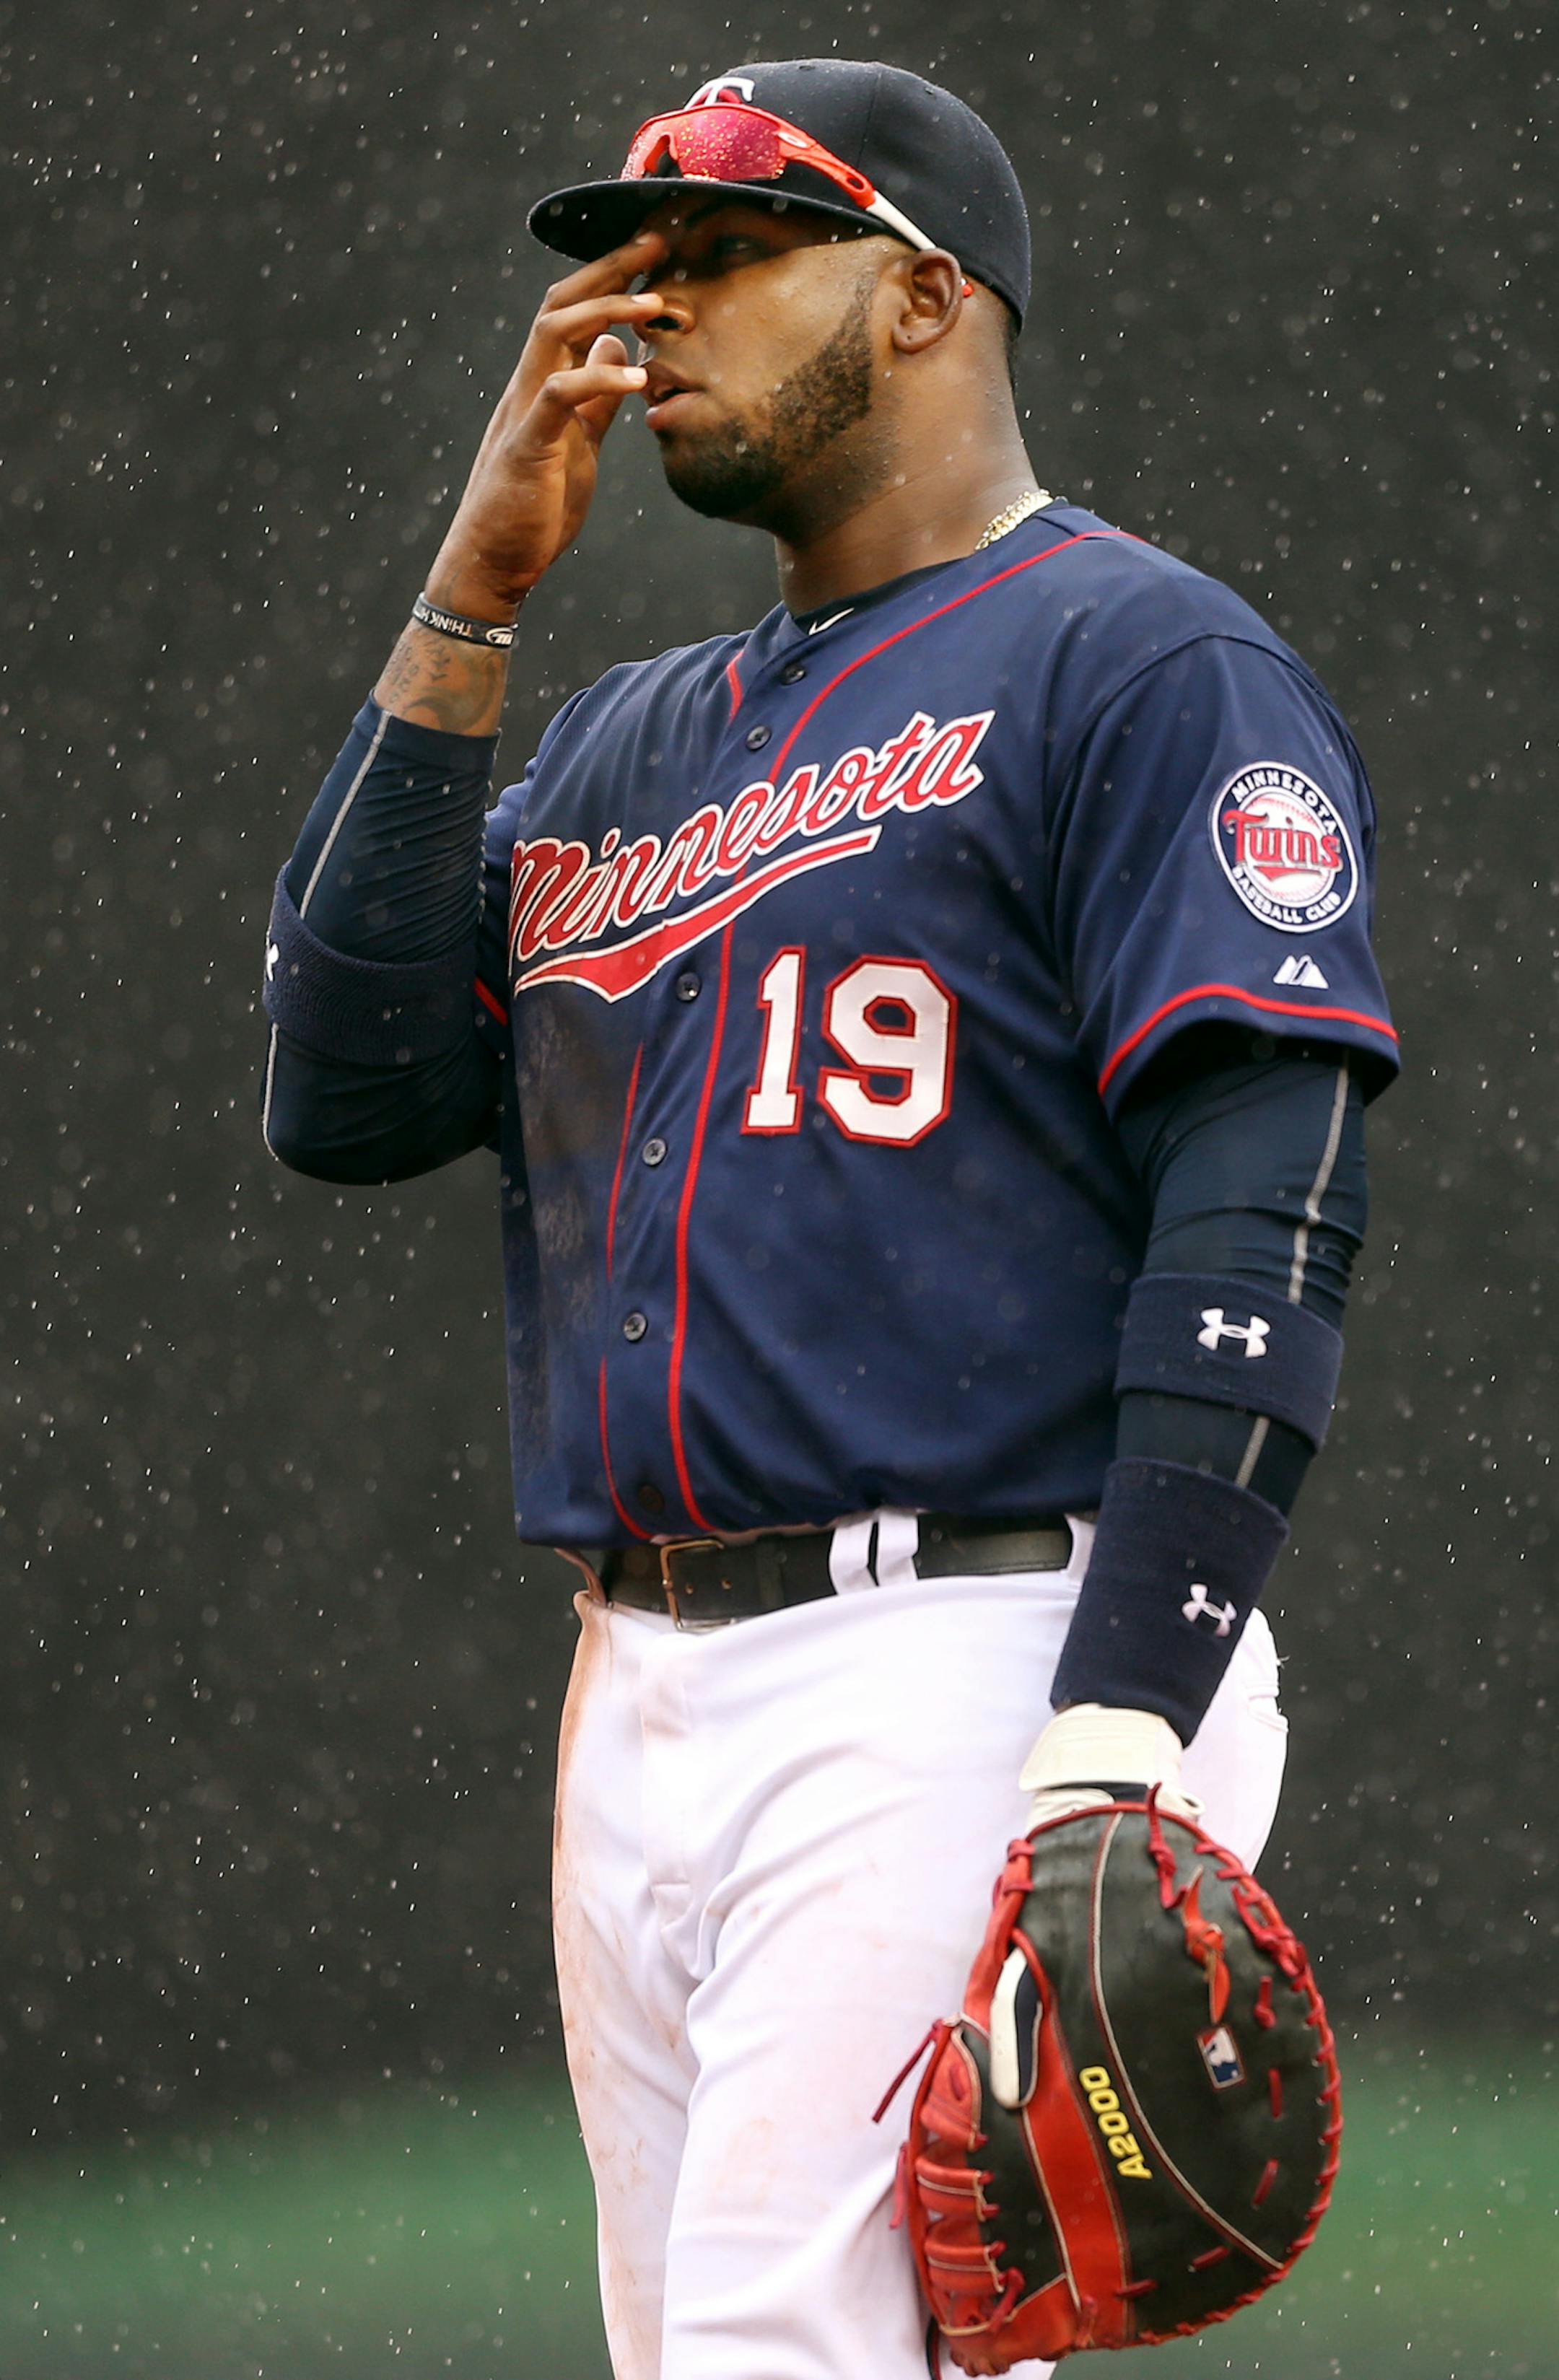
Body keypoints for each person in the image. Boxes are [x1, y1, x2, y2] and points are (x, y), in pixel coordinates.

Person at [261, 58, 1397, 2380]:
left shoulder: (1143, 662)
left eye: (728, 253)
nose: (649, 307)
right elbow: (347, 1088)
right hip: (643, 1671)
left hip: (970, 1639)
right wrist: (476, 589)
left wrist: (1121, 1723)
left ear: (924, 297)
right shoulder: (626, 743)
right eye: (643, 258)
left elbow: (1264, 1195)